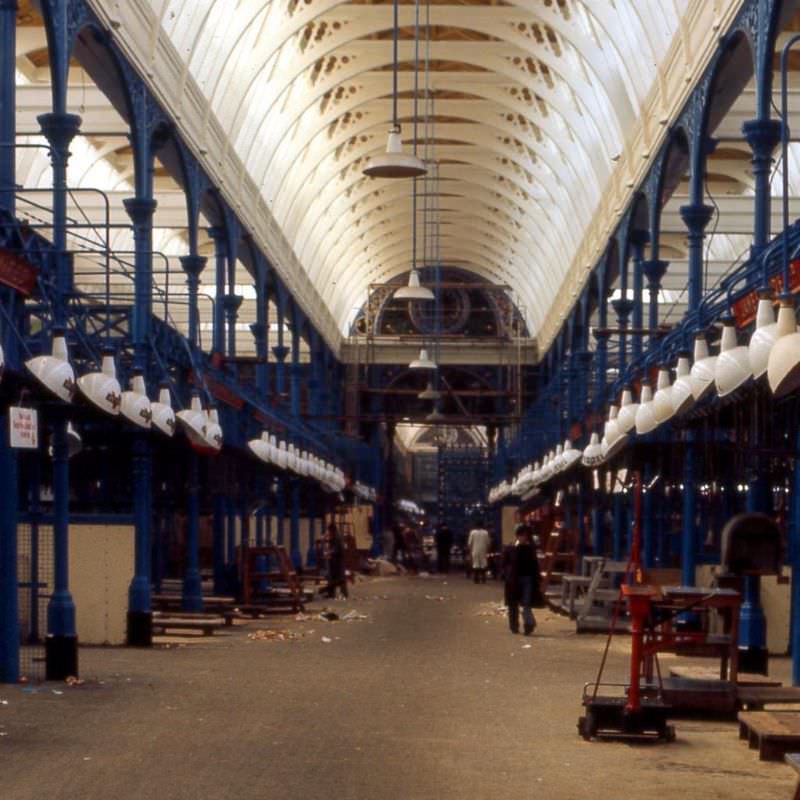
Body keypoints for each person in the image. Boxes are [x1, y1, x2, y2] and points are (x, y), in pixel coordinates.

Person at [503, 523, 541, 635]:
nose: (524, 537)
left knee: (526, 603)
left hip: (527, 579)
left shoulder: (530, 549)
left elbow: (535, 565)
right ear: (517, 535)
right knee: (513, 604)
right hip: (513, 580)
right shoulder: (511, 548)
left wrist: (537, 579)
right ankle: (514, 626)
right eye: (522, 535)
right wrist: (506, 574)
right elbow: (504, 564)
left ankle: (528, 625)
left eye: (526, 535)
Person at [323, 523, 348, 599]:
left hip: (338, 561)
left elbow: (337, 549)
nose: (328, 532)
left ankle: (342, 593)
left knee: (339, 578)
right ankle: (333, 593)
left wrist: (329, 552)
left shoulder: (337, 537)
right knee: (335, 578)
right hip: (335, 561)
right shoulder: (335, 536)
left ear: (332, 530)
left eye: (329, 530)